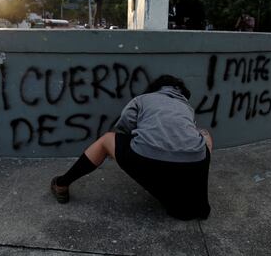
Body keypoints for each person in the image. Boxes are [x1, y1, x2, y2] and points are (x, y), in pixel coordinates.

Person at [51, 75, 213, 220]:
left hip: (147, 160)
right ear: (182, 93)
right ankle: (191, 194)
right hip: (193, 166)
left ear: (155, 88)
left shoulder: (142, 99)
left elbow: (124, 127)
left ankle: (62, 184)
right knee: (204, 135)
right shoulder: (186, 106)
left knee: (106, 139)